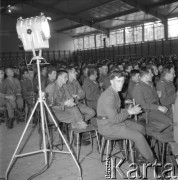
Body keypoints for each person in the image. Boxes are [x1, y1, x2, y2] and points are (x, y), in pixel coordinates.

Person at [97, 70, 155, 163]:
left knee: (141, 128)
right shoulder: (109, 97)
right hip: (107, 126)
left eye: (123, 81)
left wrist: (130, 111)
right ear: (111, 81)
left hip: (113, 121)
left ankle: (139, 154)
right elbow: (115, 119)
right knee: (138, 136)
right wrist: (129, 111)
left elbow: (117, 111)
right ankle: (153, 161)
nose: (121, 84)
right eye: (118, 81)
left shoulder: (114, 92)